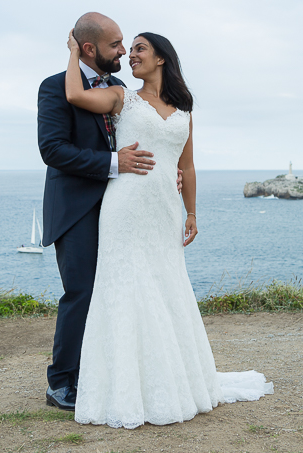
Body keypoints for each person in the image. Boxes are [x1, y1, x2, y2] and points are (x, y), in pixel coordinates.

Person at [64, 30, 273, 428]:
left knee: (166, 287)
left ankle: (172, 379)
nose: (130, 56)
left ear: (162, 58)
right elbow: (75, 95)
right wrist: (75, 52)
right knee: (125, 288)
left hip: (163, 212)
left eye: (140, 49)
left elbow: (187, 166)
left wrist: (191, 213)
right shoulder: (121, 98)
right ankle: (123, 389)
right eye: (130, 50)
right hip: (125, 208)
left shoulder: (184, 111)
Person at [37, 12, 164, 411]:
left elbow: (140, 142)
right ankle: (61, 384)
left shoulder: (121, 87)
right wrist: (114, 164)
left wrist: (167, 175)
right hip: (76, 208)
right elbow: (52, 150)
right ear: (88, 49)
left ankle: (103, 374)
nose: (124, 52)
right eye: (116, 45)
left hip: (119, 208)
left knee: (116, 290)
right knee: (82, 292)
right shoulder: (55, 87)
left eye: (126, 43)